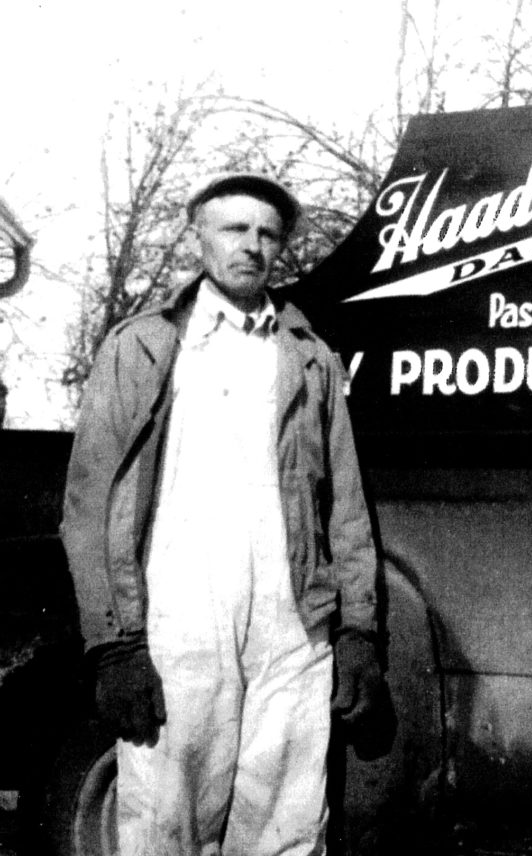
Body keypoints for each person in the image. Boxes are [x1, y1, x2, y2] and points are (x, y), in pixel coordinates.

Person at [61, 170, 391, 856]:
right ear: (198, 236)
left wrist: (358, 631)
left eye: (268, 233)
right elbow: (89, 504)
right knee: (165, 824)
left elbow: (347, 508)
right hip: (179, 620)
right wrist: (113, 644)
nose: (252, 245)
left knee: (286, 827)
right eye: (234, 228)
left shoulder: (309, 357)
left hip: (290, 626)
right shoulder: (144, 346)